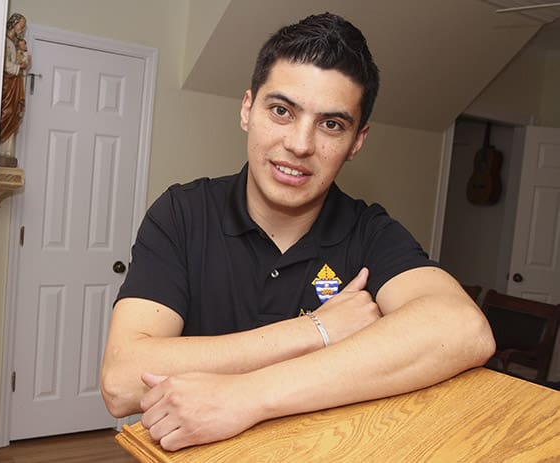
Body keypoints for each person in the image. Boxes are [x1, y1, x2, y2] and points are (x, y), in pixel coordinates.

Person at [101, 12, 495, 452]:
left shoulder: (369, 231)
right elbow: (121, 380)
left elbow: (461, 328)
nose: (301, 144)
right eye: (282, 111)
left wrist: (246, 396)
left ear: (357, 141)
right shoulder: (181, 213)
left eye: (331, 124)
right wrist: (317, 332)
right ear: (248, 109)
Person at [0, 13, 30, 163]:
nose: (22, 29)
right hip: (7, 85)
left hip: (14, 84)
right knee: (6, 112)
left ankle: (7, 151)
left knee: (12, 115)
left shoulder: (15, 44)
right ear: (14, 23)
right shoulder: (3, 42)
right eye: (21, 25)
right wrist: (19, 67)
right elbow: (3, 64)